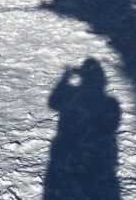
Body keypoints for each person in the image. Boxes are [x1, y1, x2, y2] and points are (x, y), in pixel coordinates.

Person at [44, 58, 121, 200]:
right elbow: (111, 127)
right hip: (86, 156)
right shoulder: (110, 103)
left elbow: (53, 102)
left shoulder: (75, 95)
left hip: (88, 156)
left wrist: (64, 80)